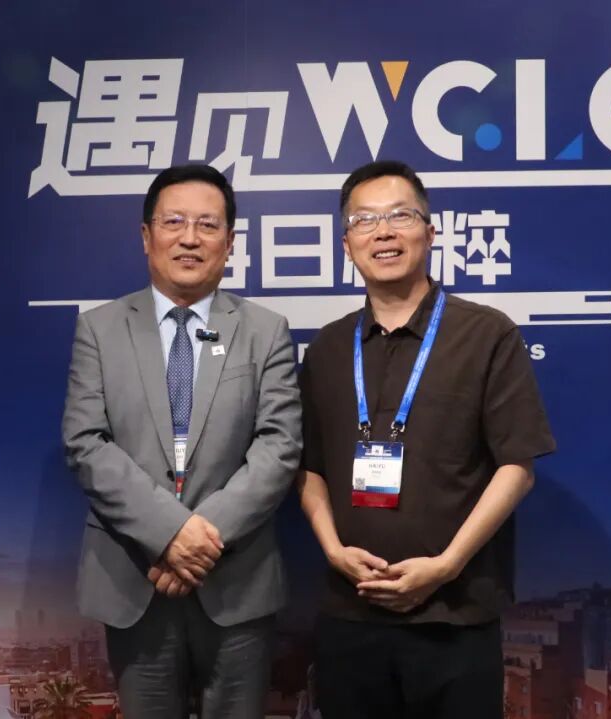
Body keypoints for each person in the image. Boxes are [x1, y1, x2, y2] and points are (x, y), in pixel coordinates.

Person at [297, 160, 556, 718]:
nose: (383, 232)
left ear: (430, 232)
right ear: (346, 244)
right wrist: (333, 551)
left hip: (455, 615)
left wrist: (446, 565)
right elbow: (309, 468)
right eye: (365, 220)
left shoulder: (486, 334)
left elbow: (517, 467)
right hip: (350, 614)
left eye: (400, 216)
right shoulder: (327, 349)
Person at [62, 164, 302, 719]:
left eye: (207, 225)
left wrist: (201, 539)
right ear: (146, 236)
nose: (190, 238)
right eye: (174, 222)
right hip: (134, 576)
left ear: (230, 242)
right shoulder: (99, 328)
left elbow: (279, 445)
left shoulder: (265, 330)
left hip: (237, 580)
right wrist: (169, 533)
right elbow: (85, 443)